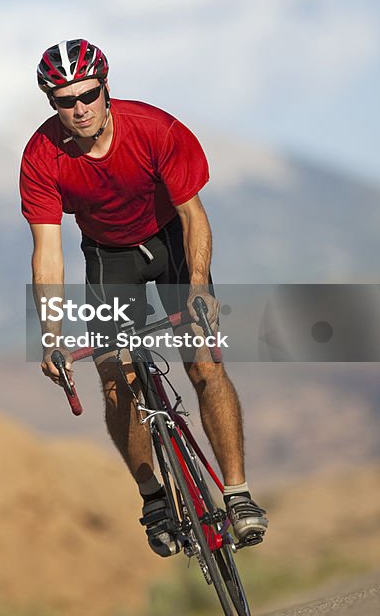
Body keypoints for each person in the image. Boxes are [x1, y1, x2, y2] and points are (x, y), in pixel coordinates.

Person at [20, 38, 268, 555]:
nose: (80, 108)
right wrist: (52, 337)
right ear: (51, 104)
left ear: (106, 88)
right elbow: (47, 252)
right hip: (111, 257)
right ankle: (154, 496)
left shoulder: (156, 129)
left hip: (172, 241)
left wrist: (198, 290)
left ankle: (238, 495)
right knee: (115, 376)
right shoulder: (42, 155)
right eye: (66, 100)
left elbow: (194, 216)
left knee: (203, 362)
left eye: (89, 94)